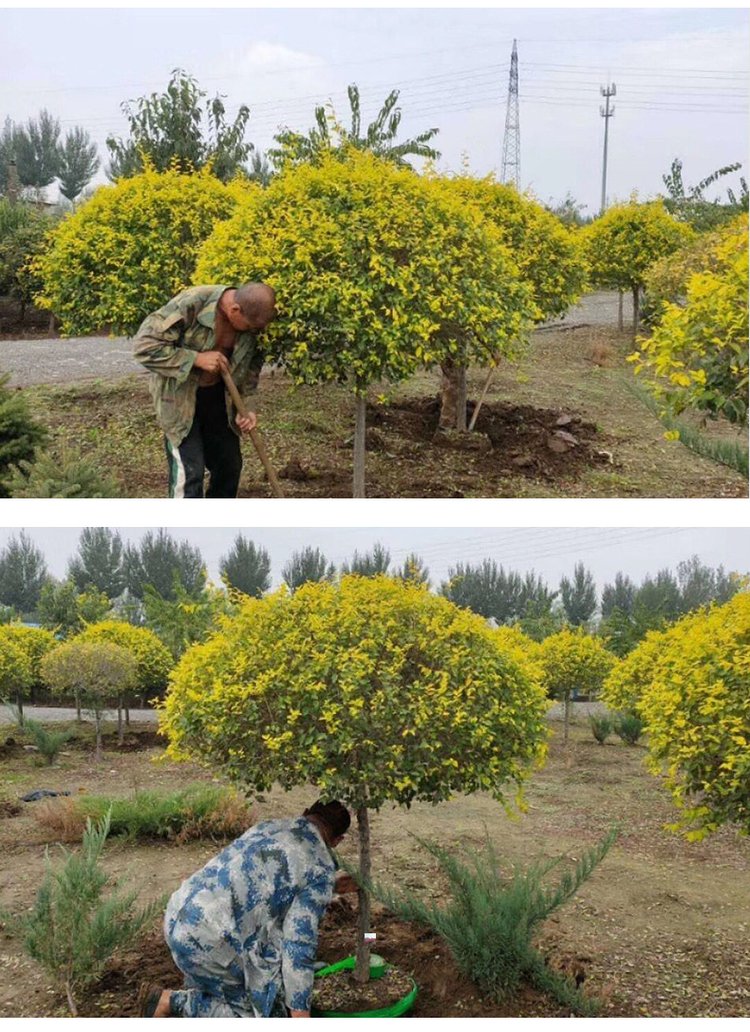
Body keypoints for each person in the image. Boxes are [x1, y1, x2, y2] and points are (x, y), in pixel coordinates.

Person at [139, 800, 357, 1018]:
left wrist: (331, 887)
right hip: (208, 943)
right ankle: (172, 1002)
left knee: (260, 981)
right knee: (267, 1015)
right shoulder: (319, 870)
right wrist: (300, 1012)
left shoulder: (269, 827)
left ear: (306, 812)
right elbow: (298, 945)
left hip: (180, 913)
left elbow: (264, 884)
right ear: (338, 840)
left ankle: (205, 985)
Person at [133, 282, 276, 498]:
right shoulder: (191, 304)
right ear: (234, 310)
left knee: (229, 468)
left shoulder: (253, 320)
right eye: (248, 327)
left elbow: (251, 368)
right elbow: (145, 347)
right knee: (191, 474)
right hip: (179, 401)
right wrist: (196, 359)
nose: (252, 332)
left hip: (218, 400)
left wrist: (247, 407)